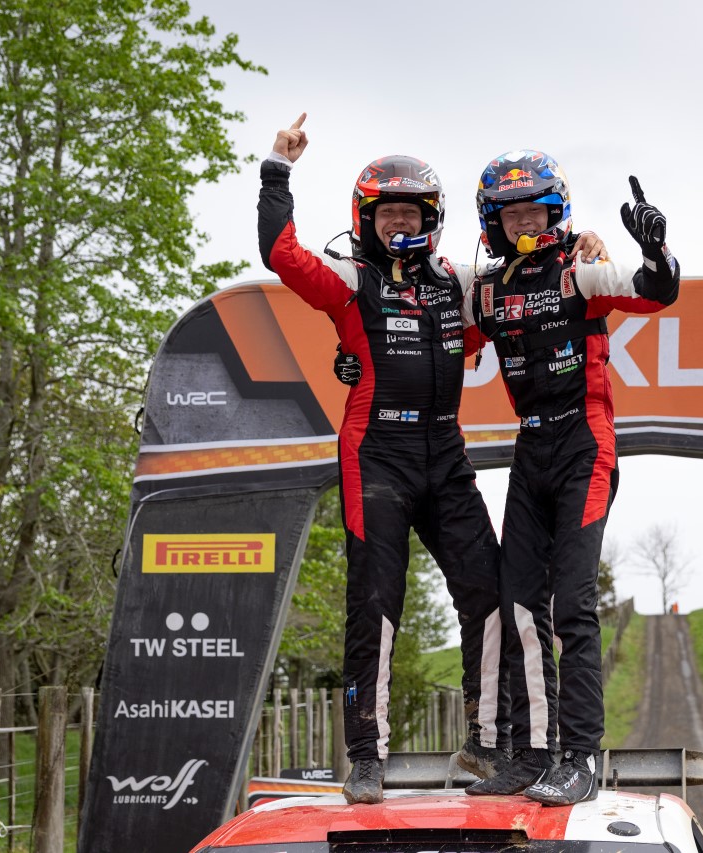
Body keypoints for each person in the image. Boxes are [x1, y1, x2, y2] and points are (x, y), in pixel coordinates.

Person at [258, 115, 521, 804]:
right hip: (375, 455)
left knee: (489, 588)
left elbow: (529, 283)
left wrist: (585, 243)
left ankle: (487, 741)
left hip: (445, 454)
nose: (399, 222)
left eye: (411, 212)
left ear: (432, 219)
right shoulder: (351, 277)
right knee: (375, 602)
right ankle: (365, 758)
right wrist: (278, 168)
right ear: (365, 219)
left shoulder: (458, 281)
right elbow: (281, 254)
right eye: (387, 213)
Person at [461, 150, 679, 806]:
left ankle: (581, 758)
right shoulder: (485, 290)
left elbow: (656, 291)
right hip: (529, 448)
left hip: (586, 444)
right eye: (512, 214)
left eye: (535, 210)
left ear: (555, 212)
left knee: (573, 606)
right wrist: (351, 357)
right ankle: (531, 756)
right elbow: (421, 330)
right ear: (493, 223)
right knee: (518, 602)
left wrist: (656, 249)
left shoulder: (581, 269)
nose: (524, 222)